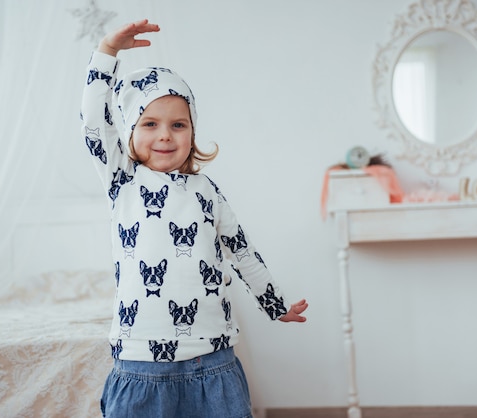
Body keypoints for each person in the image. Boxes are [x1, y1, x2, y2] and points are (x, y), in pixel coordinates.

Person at [81, 19, 308, 418]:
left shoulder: (207, 192)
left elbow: (242, 251)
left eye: (178, 124)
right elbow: (93, 122)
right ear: (130, 131)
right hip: (140, 363)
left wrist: (274, 304)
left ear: (192, 131)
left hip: (213, 360)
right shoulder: (122, 181)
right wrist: (106, 52)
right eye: (149, 124)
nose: (165, 135)